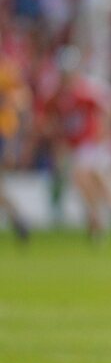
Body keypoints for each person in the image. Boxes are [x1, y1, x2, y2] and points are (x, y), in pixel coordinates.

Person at [39, 46, 111, 241]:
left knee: (101, 185)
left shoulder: (87, 89)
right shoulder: (58, 95)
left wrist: (105, 129)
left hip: (96, 145)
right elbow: (51, 118)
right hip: (80, 147)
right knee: (91, 185)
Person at [0, 52, 31, 241]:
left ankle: (19, 219)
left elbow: (23, 100)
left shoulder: (8, 72)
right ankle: (18, 219)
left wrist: (12, 147)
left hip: (3, 134)